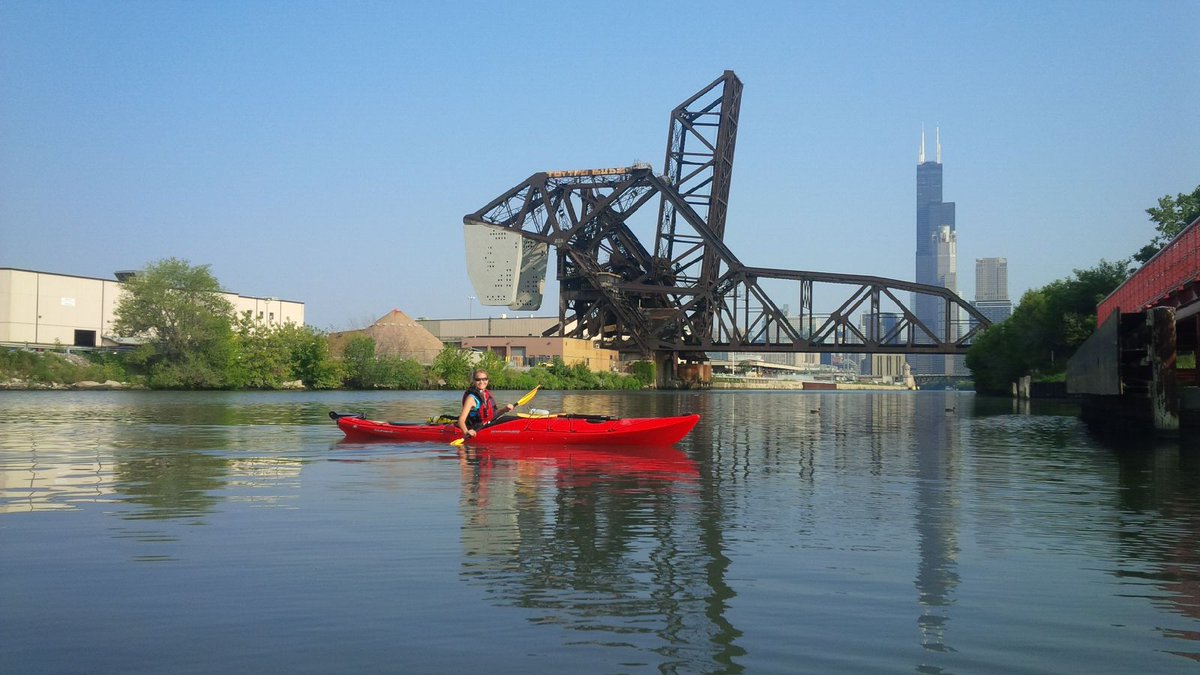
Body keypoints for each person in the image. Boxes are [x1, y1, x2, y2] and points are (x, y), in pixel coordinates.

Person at [457, 369, 514, 440]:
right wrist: (466, 432)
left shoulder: (486, 394)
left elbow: (493, 415)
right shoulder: (471, 398)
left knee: (513, 419)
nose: (481, 382)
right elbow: (461, 420)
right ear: (474, 381)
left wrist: (505, 409)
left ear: (488, 380)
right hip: (478, 427)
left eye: (484, 379)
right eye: (478, 379)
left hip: (489, 424)